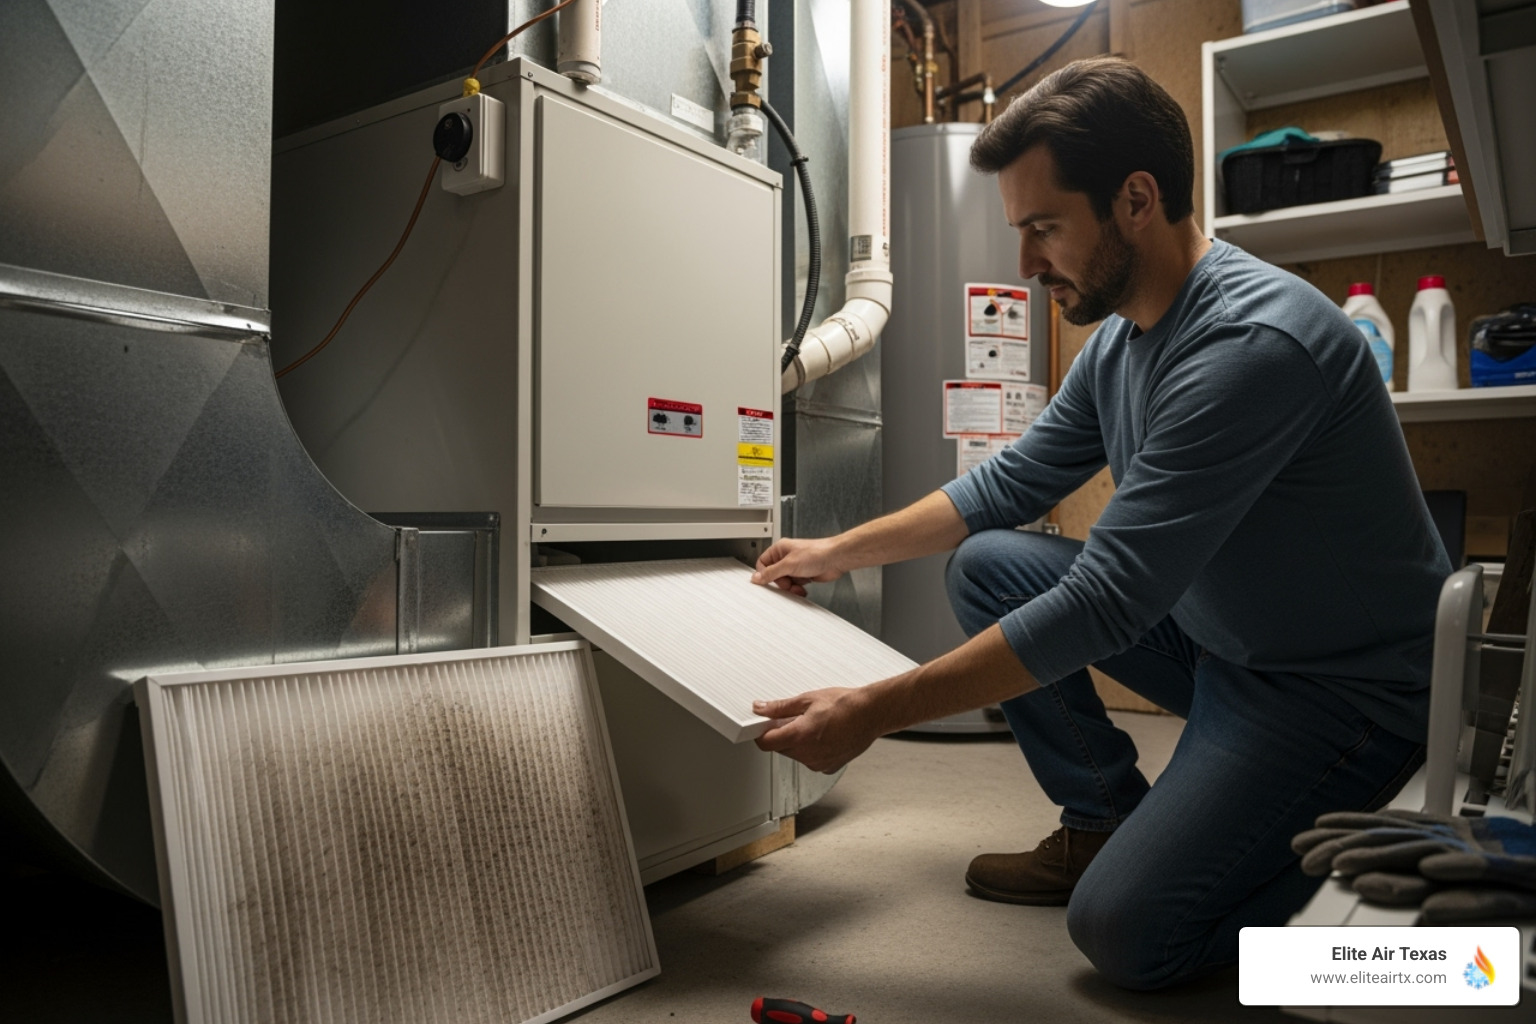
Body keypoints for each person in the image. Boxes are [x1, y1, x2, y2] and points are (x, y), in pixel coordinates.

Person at [749, 56, 1446, 991]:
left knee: (1129, 934)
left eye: (1044, 229)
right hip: (1229, 647)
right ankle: (1103, 821)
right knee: (992, 563)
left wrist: (876, 710)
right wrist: (836, 550)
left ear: (1136, 200)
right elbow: (1005, 485)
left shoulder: (1249, 346)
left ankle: (1443, 960)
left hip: (1341, 695)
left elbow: (1108, 603)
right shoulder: (1123, 337)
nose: (1027, 264)